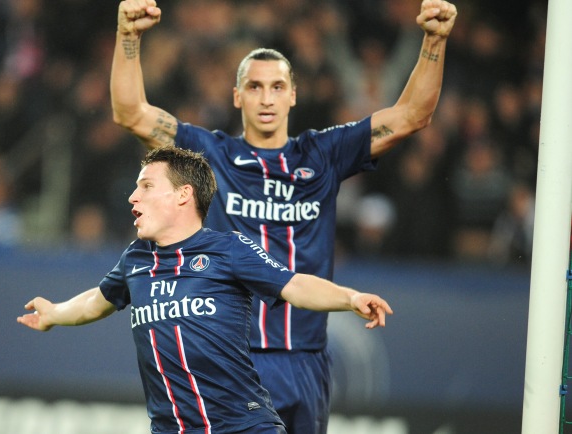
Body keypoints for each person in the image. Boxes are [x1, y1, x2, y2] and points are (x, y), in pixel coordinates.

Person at [110, 1, 456, 433]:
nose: (266, 98)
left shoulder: (324, 153)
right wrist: (128, 36)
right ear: (237, 96)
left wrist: (434, 41)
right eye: (254, 87)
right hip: (234, 359)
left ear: (293, 94)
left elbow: (412, 115)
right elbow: (130, 112)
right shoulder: (213, 154)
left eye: (277, 86)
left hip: (306, 359)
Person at [17, 147, 393, 434]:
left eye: (146, 186)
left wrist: (349, 298)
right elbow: (96, 302)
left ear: (183, 194)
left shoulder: (228, 249)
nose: (133, 196)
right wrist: (55, 313)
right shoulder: (136, 258)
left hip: (243, 427)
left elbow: (294, 284)